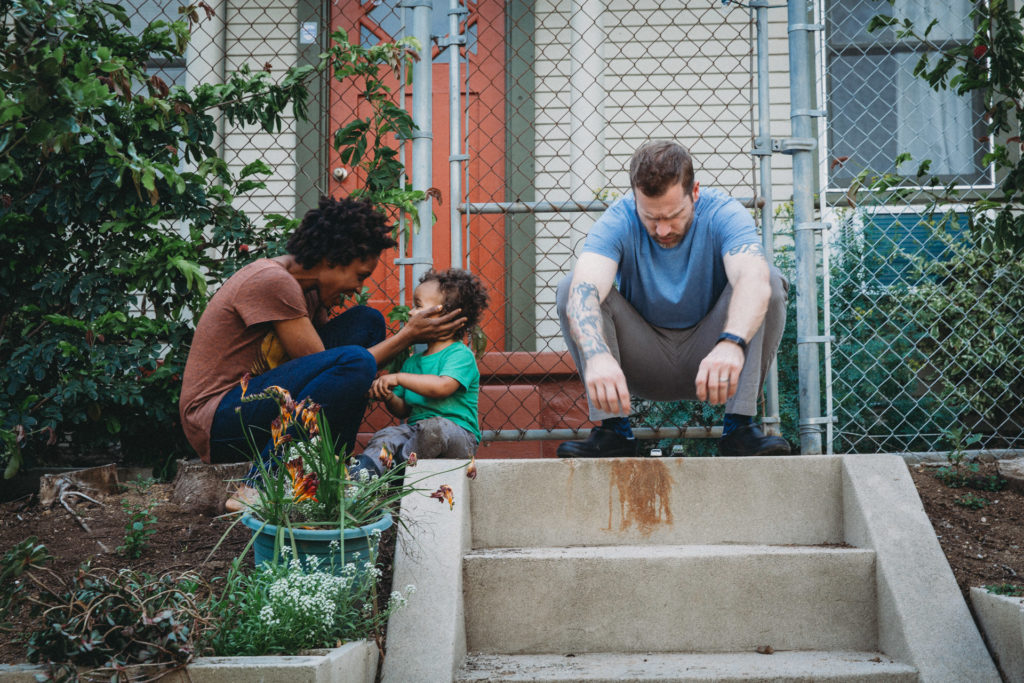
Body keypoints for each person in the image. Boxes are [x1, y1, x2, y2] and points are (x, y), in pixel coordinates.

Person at [179, 197, 466, 506]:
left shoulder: (308, 291)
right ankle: (261, 484)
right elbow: (330, 367)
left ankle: (331, 467)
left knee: (366, 322)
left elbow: (329, 384)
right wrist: (407, 337)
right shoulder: (272, 280)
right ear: (332, 259)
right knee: (356, 361)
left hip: (261, 406)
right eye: (359, 276)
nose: (358, 288)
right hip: (219, 421)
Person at [555, 140, 790, 458]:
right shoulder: (619, 219)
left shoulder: (723, 213)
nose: (662, 229)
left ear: (694, 193)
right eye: (650, 217)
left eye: (673, 215)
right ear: (636, 198)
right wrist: (597, 357)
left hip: (713, 357)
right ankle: (614, 432)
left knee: (766, 279)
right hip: (642, 358)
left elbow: (753, 280)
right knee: (573, 287)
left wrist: (731, 344)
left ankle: (739, 430)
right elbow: (584, 289)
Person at [350, 268, 489, 477]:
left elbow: (441, 387)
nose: (411, 313)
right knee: (387, 434)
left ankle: (397, 472)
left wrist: (397, 377)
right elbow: (403, 410)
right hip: (416, 433)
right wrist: (388, 395)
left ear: (447, 316)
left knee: (436, 428)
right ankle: (365, 473)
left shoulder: (460, 354)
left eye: (418, 306)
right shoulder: (413, 362)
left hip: (458, 436)